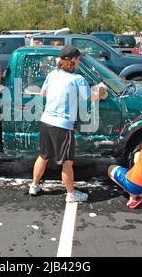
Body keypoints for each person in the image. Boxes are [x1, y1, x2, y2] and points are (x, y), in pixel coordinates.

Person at [28, 46, 108, 203]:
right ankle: (71, 194)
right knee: (67, 162)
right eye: (78, 59)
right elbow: (91, 97)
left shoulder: (52, 74)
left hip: (46, 121)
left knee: (43, 156)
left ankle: (34, 185)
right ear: (72, 61)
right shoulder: (77, 79)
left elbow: (43, 93)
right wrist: (102, 90)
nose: (79, 62)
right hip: (63, 126)